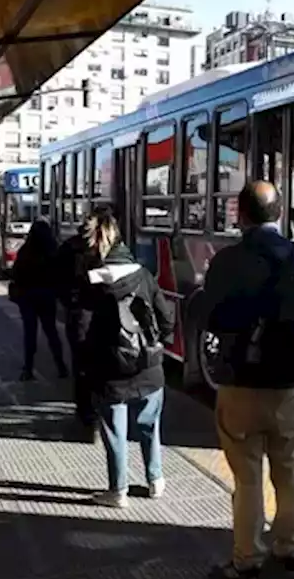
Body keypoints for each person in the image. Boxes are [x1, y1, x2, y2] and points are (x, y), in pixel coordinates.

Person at [198, 181, 294, 579]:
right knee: (288, 473)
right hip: (287, 386)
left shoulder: (227, 261)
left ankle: (248, 560)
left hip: (241, 385)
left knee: (247, 477)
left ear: (241, 215)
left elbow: (210, 317)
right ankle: (290, 549)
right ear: (279, 213)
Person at [80, 205, 175, 508]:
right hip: (149, 366)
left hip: (112, 372)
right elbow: (167, 318)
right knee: (149, 425)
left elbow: (83, 331)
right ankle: (155, 480)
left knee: (114, 431)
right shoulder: (144, 275)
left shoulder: (94, 284)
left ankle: (118, 491)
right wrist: (158, 343)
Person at [9, 218, 69, 382]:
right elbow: (60, 276)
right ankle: (61, 366)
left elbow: (15, 274)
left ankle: (28, 368)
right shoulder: (53, 252)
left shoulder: (25, 252)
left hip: (27, 297)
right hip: (47, 296)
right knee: (51, 332)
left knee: (30, 333)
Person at [56, 213, 100, 421]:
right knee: (94, 360)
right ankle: (91, 404)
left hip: (77, 311)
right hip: (92, 310)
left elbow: (56, 280)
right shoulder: (98, 249)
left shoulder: (67, 247)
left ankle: (84, 407)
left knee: (80, 361)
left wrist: (69, 302)